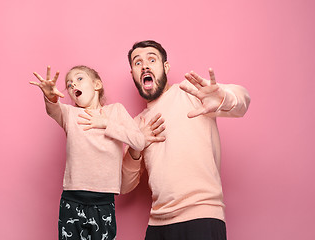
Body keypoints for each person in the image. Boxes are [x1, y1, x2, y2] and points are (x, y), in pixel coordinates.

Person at [121, 40, 251, 240]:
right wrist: (136, 146)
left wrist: (223, 98)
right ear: (133, 74)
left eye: (152, 59)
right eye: (137, 63)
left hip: (202, 217)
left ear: (165, 67)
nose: (145, 65)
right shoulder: (136, 124)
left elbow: (243, 99)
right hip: (157, 226)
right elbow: (124, 186)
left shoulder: (192, 92)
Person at [30, 65, 146, 240]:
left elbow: (139, 141)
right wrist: (49, 95)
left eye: (79, 79)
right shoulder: (70, 114)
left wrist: (106, 123)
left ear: (97, 84)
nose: (73, 85)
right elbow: (53, 108)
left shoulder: (115, 111)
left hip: (103, 202)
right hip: (72, 199)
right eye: (69, 85)